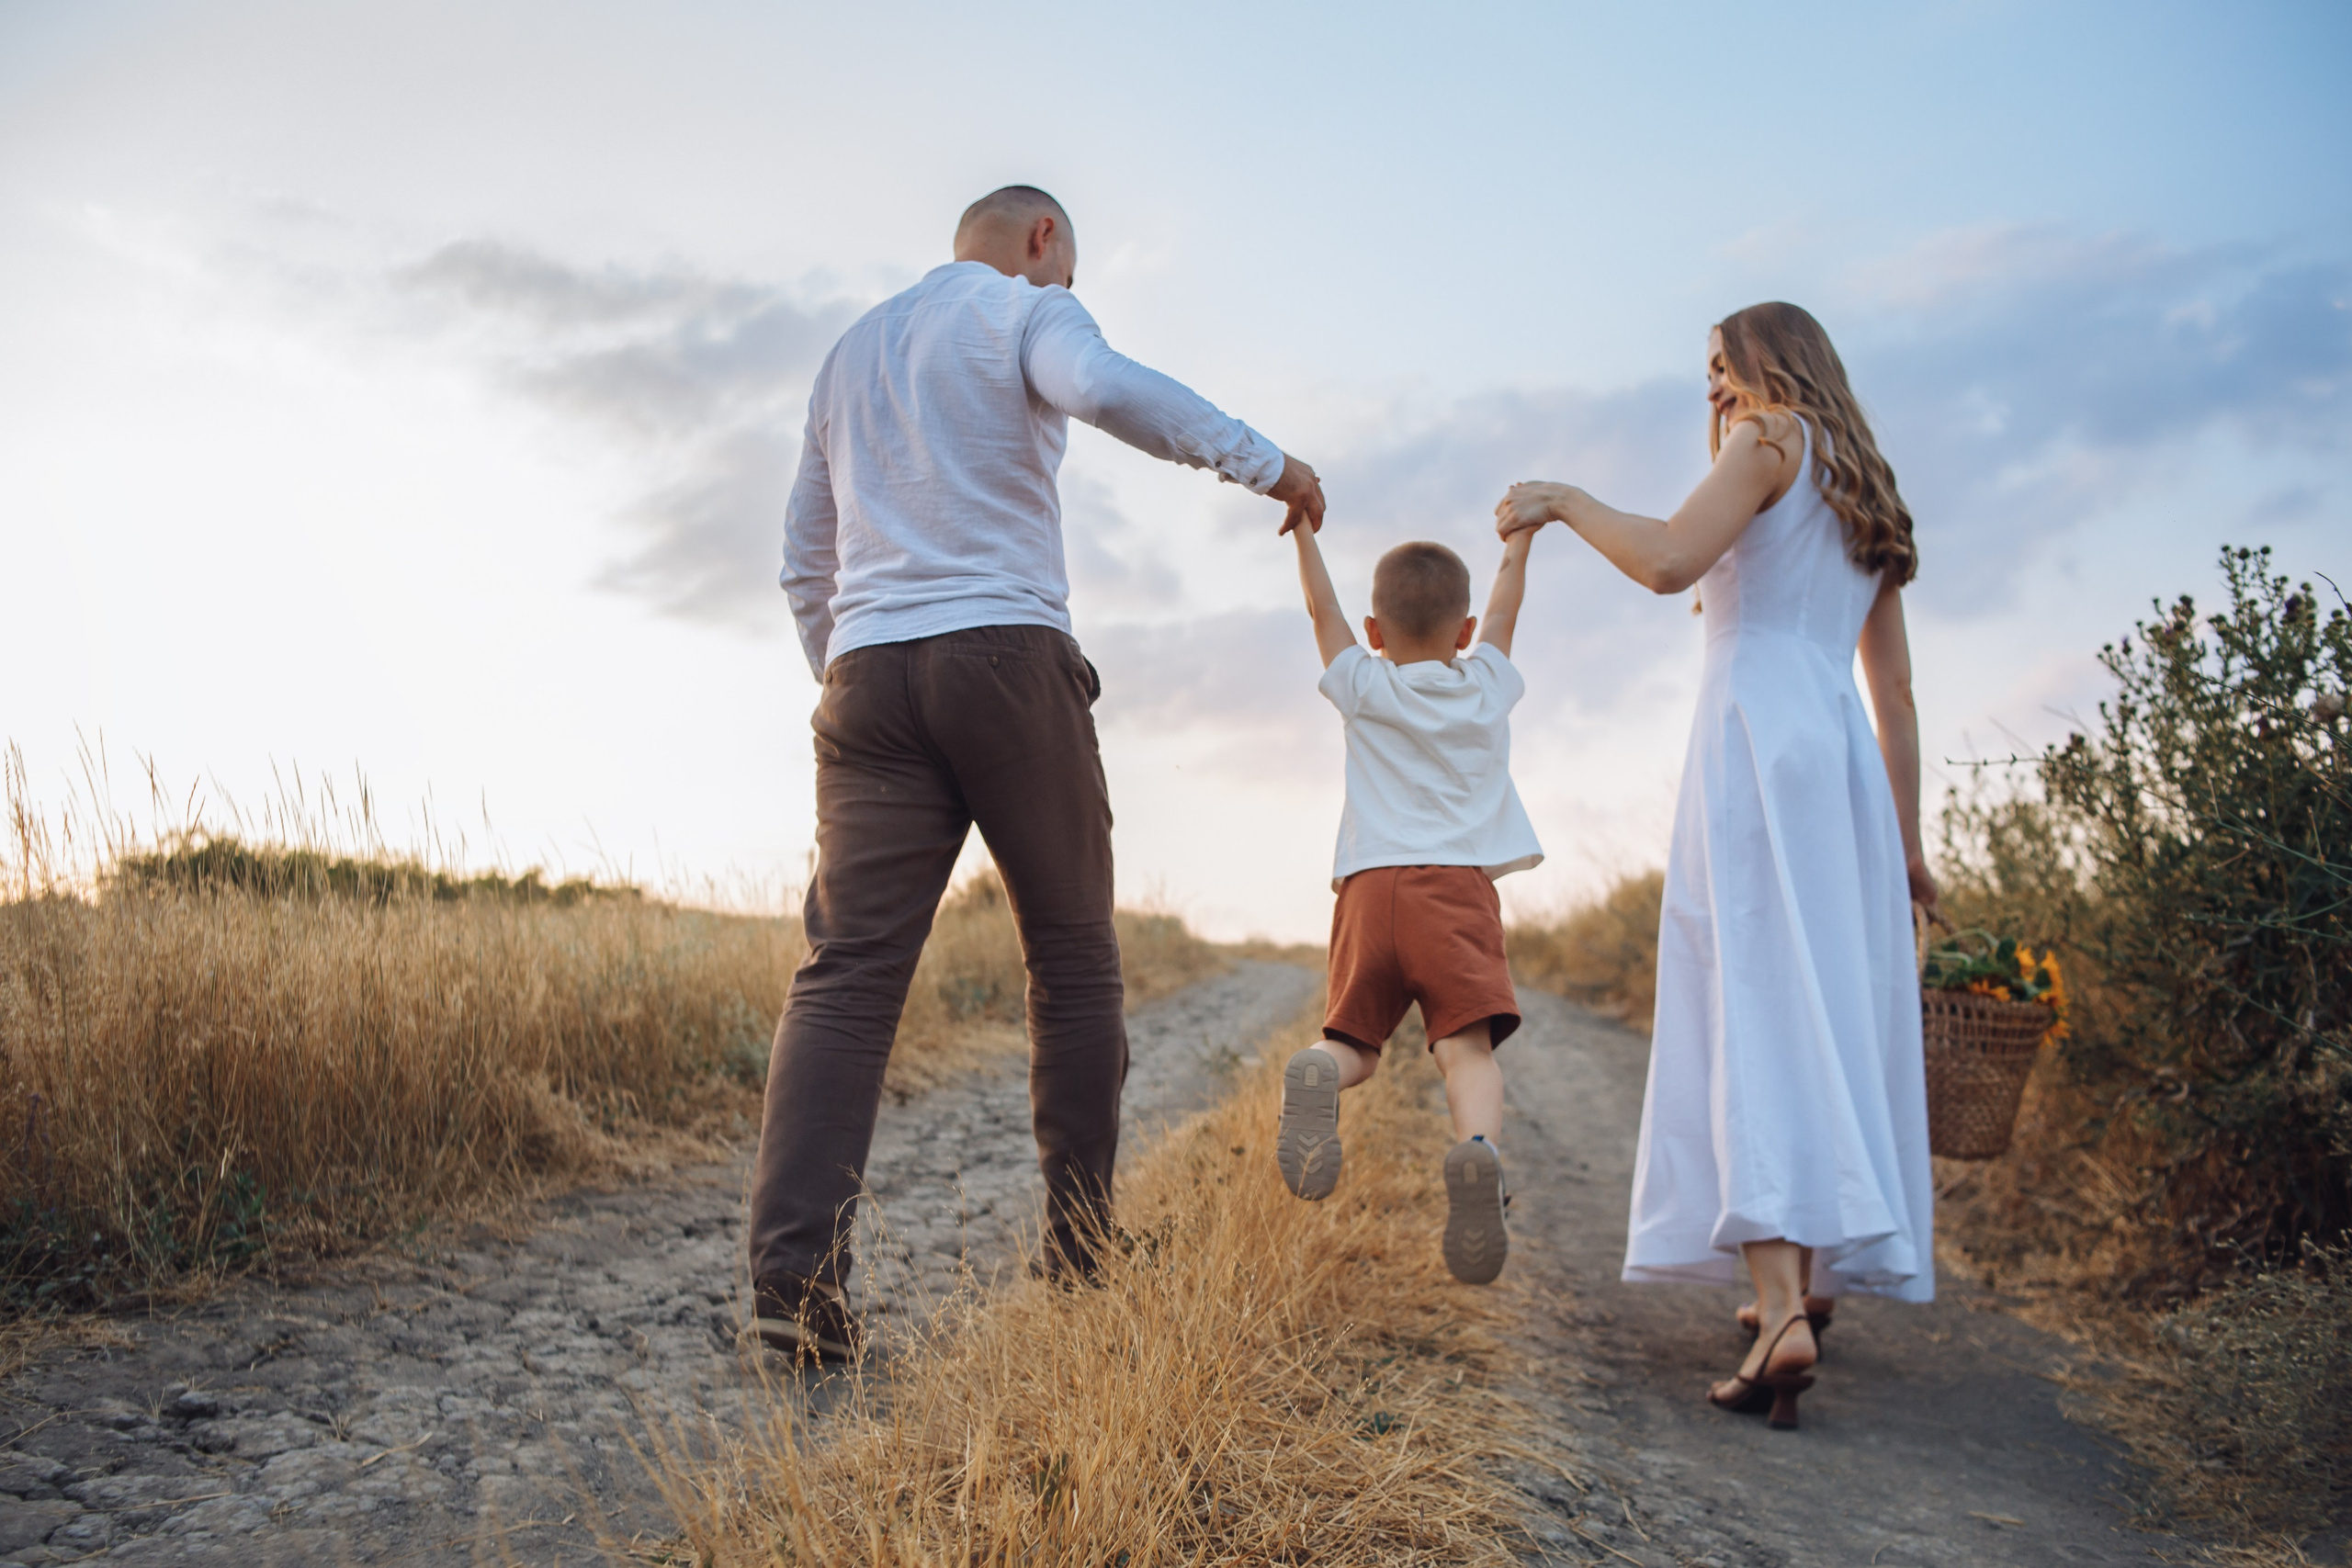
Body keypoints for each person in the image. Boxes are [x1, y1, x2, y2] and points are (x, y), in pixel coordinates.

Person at [753, 186, 1328, 1360]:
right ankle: (1077, 1252)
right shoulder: (1024, 312)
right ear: (1040, 243)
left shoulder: (848, 352)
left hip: (865, 674)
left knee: (847, 979)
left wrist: (848, 678)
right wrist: (1264, 463)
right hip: (1007, 657)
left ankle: (794, 1293)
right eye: (1066, 272)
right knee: (1069, 957)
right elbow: (1106, 388)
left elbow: (801, 560)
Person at [1494, 301, 1937, 1431]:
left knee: (1753, 1007)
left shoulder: (1770, 441)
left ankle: (1781, 1309)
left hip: (1751, 738)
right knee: (1822, 1007)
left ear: (1767, 363)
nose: (1714, 390)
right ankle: (1812, 1281)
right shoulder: (1861, 483)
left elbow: (1665, 561)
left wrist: (1560, 499)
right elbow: (1891, 692)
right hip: (1834, 753)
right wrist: (1908, 845)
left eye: (1720, 366)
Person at [1276, 523, 1544, 1285]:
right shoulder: (1485, 684)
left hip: (1370, 888)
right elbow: (1505, 617)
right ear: (1462, 632)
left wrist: (1303, 532)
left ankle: (1319, 1067)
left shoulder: (1365, 682)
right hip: (1454, 892)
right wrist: (1519, 544)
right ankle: (1478, 1155)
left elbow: (1319, 609)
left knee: (1357, 1042)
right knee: (1466, 1052)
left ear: (1373, 632)